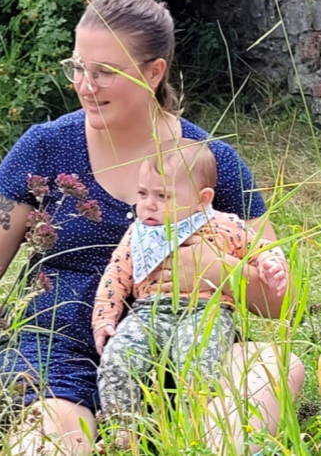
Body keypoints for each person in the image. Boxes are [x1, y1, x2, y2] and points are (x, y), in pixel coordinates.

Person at [0, 0, 305, 455]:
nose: (86, 84)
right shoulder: (44, 147)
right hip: (58, 354)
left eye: (105, 72)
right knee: (53, 435)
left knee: (273, 366)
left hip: (188, 355)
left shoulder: (210, 160)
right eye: (78, 68)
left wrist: (217, 270)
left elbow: (283, 301)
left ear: (154, 72)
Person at [92, 138, 289, 449]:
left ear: (202, 198)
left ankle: (191, 428)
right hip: (147, 310)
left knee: (198, 361)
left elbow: (260, 247)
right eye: (142, 194)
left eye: (163, 195)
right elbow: (116, 275)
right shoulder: (139, 233)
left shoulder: (225, 225)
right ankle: (123, 431)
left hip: (207, 310)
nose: (149, 205)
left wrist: (272, 265)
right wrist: (104, 317)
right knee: (119, 358)